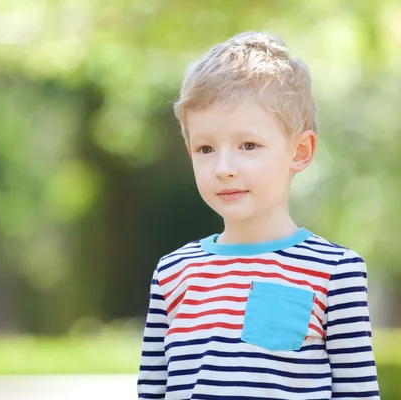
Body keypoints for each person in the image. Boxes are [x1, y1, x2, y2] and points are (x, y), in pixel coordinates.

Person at [137, 31, 380, 400]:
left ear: (299, 152)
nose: (224, 168)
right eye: (205, 148)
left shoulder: (334, 272)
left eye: (248, 145)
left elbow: (358, 393)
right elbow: (151, 391)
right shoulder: (173, 272)